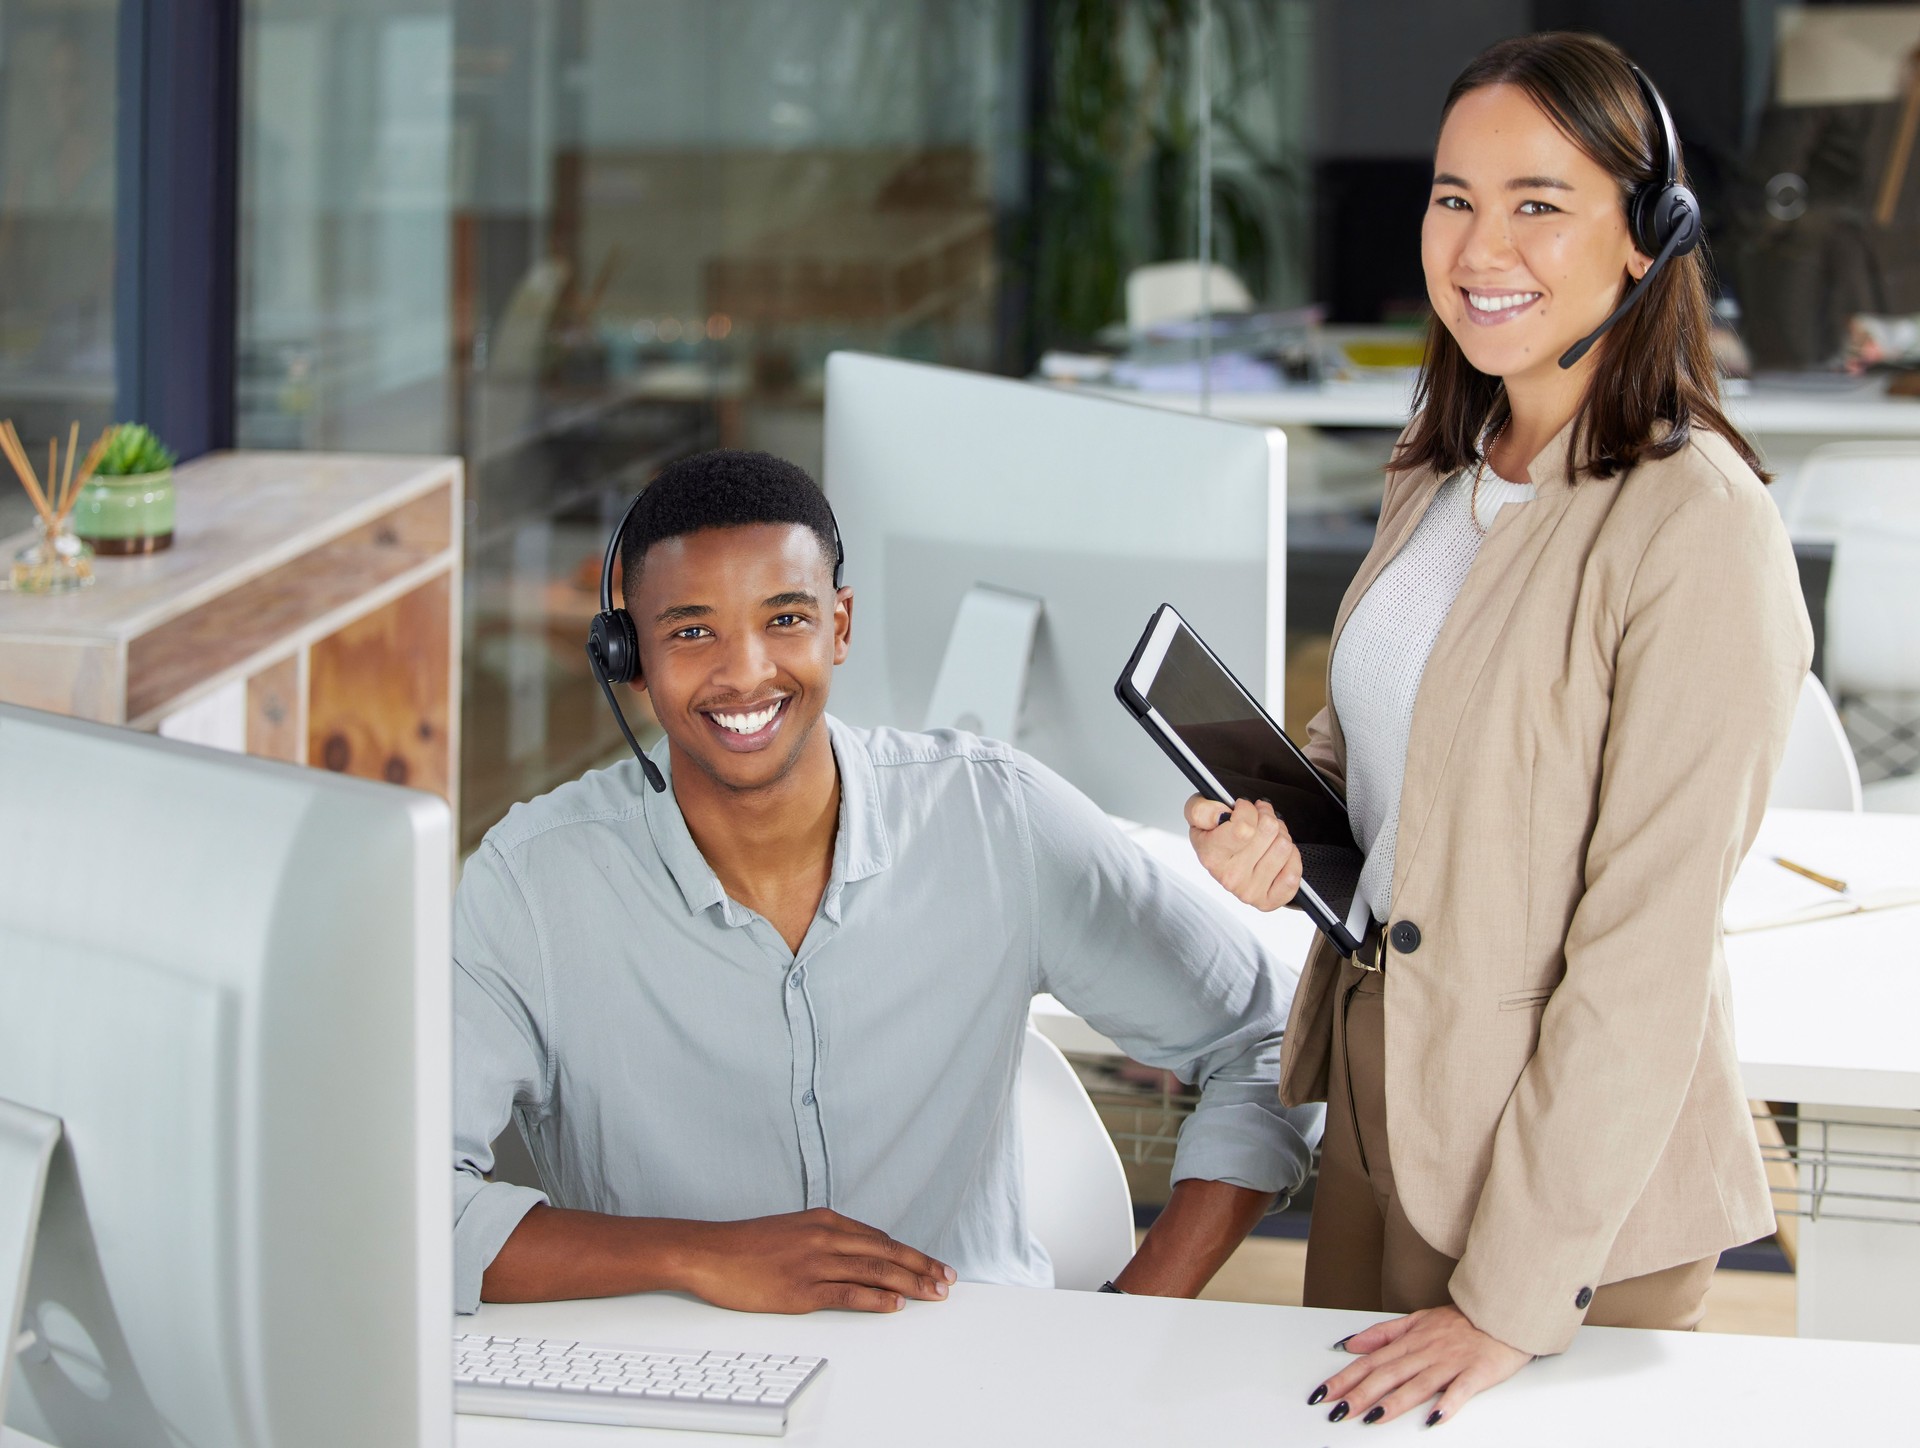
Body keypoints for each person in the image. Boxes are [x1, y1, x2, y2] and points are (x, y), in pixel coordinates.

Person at [1187, 33, 1810, 1427]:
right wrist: (1281, 823)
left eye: (1541, 201)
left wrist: (1510, 1300)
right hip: (1386, 1112)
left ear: (1648, 239)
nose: (1482, 244)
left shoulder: (1697, 528)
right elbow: (1402, 753)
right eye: (1453, 197)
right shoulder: (1444, 470)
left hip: (1564, 1197)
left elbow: (1643, 957)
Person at [452, 448, 1321, 1317]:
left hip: (970, 1386)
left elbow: (1272, 1042)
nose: (746, 672)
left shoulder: (994, 817)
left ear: (841, 624)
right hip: (669, 1391)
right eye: (690, 631)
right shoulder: (531, 884)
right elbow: (400, 1204)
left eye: (784, 618)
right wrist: (702, 1257)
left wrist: (1133, 1317)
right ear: (626, 655)